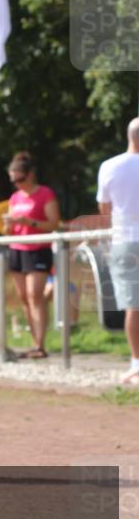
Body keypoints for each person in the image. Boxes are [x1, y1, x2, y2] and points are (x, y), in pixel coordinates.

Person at [4, 152, 61, 360]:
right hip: (17, 249)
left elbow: (54, 224)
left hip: (38, 249)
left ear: (30, 175)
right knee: (24, 298)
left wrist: (30, 223)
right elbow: (9, 230)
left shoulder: (45, 194)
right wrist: (9, 225)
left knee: (35, 295)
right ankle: (34, 342)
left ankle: (40, 344)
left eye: (20, 178)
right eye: (14, 180)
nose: (17, 184)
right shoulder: (15, 198)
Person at [97, 117, 139, 384]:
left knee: (133, 307)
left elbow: (104, 209)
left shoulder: (110, 166)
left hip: (125, 239)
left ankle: (137, 362)